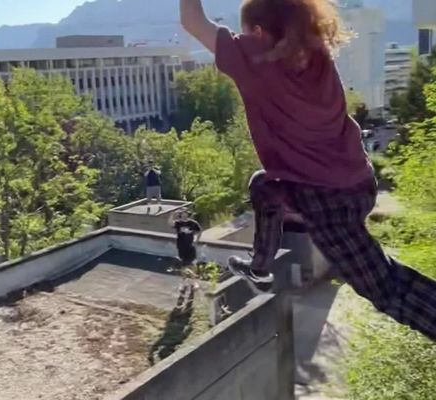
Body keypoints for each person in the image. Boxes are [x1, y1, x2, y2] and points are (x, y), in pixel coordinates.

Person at [180, 0, 436, 340]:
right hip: (358, 181)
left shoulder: (256, 57)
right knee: (264, 186)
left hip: (326, 198)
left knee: (384, 288)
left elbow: (192, 20)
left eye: (246, 33)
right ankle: (260, 269)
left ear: (258, 32)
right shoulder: (316, 52)